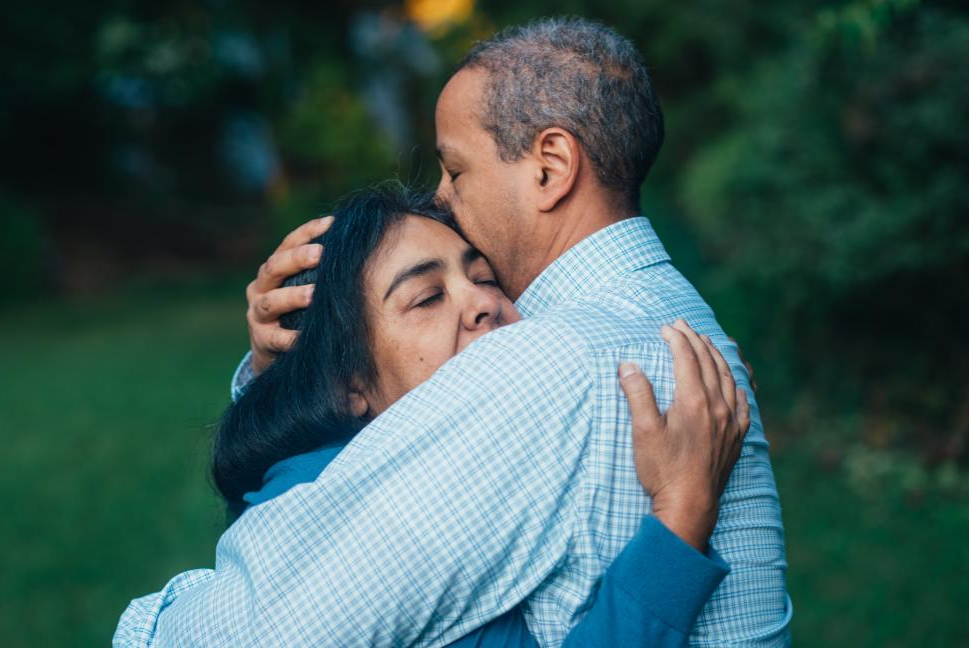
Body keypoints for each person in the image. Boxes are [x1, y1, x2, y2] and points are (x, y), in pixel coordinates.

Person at [120, 17, 790, 646]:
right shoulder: (677, 322)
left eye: (457, 168)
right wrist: (284, 373)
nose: (442, 197)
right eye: (427, 295)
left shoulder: (548, 363)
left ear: (551, 167)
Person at [203, 187, 747, 647]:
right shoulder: (393, 536)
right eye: (426, 298)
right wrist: (683, 512)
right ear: (349, 385)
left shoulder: (317, 474)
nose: (482, 302)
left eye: (484, 278)